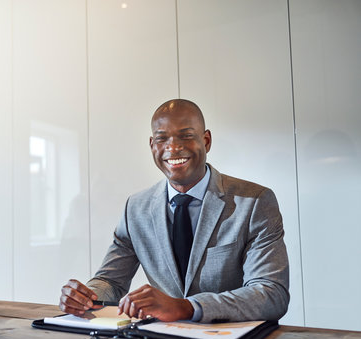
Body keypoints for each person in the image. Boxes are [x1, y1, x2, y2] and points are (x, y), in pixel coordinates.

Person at [59, 99, 289, 323]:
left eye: (186, 135)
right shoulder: (135, 208)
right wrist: (86, 296)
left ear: (206, 141)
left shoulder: (254, 201)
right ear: (152, 145)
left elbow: (271, 294)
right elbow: (111, 281)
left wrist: (187, 307)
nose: (173, 147)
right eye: (162, 138)